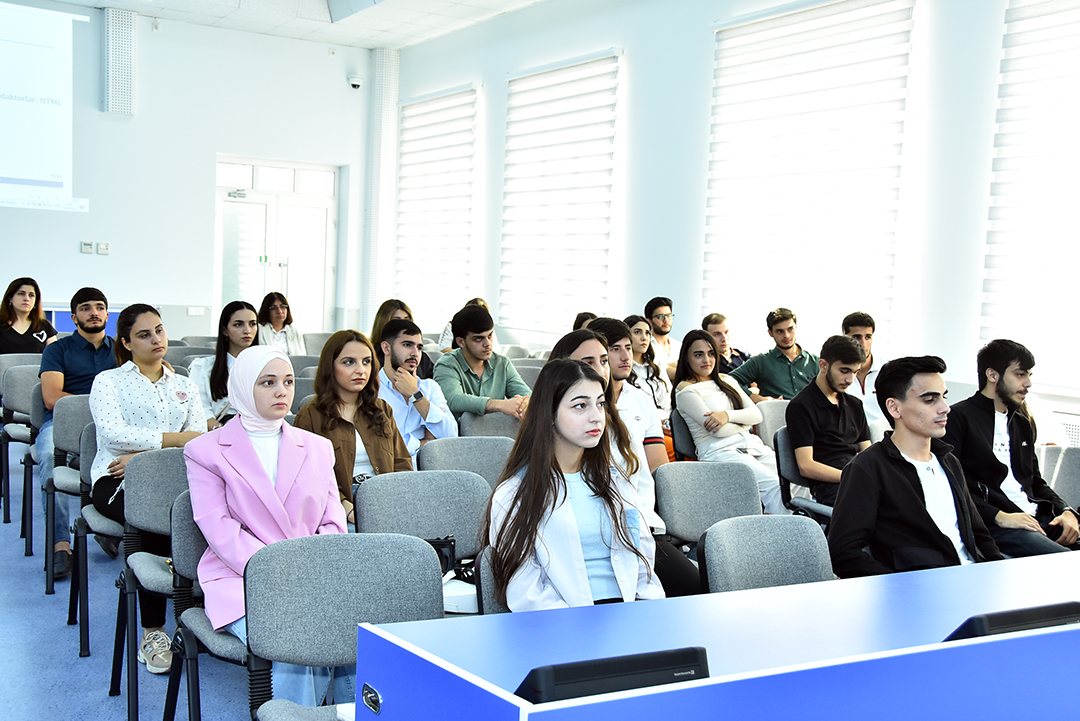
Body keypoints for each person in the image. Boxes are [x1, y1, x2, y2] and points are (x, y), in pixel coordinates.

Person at [185, 346, 352, 707]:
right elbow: (218, 527)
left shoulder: (319, 447)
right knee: (295, 638)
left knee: (352, 635)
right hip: (241, 578)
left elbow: (332, 522)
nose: (282, 391)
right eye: (268, 382)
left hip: (313, 572)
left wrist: (305, 570)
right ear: (244, 387)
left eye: (289, 381)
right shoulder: (205, 450)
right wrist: (277, 573)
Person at [481, 359, 665, 611]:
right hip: (562, 626)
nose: (596, 417)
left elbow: (644, 565)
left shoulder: (616, 482)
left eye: (600, 404)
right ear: (549, 413)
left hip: (630, 617)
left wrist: (645, 614)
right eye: (580, 406)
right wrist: (581, 628)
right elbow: (525, 591)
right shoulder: (515, 493)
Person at [89, 304, 205, 674]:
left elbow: (200, 440)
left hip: (173, 478)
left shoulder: (184, 385)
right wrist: (177, 439)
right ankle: (152, 631)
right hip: (116, 480)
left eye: (159, 330)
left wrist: (140, 455)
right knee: (156, 520)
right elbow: (112, 435)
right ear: (125, 342)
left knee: (210, 515)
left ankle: (203, 616)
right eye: (144, 334)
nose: (156, 339)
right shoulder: (108, 382)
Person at [548, 327, 700, 596]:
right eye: (588, 362)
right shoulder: (561, 423)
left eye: (603, 360)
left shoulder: (638, 402)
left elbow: (657, 470)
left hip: (638, 526)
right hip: (581, 533)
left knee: (692, 587)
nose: (600, 370)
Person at [828, 356, 1003, 577]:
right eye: (930, 400)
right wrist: (900, 587)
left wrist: (998, 574)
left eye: (943, 397)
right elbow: (843, 553)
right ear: (894, 408)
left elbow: (979, 534)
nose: (945, 408)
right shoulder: (868, 468)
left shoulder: (949, 461)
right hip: (919, 592)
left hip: (972, 581)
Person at [944, 339, 1080, 557]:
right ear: (992, 375)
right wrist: (999, 516)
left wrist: (1065, 510)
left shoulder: (1020, 422)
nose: (1028, 383)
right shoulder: (957, 419)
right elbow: (951, 486)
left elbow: (1035, 481)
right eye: (1020, 374)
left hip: (1036, 517)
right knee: (1067, 563)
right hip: (997, 525)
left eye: (1029, 375)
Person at [37, 287, 115, 579]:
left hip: (108, 427)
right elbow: (52, 398)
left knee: (137, 458)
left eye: (99, 307)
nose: (93, 312)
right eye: (85, 308)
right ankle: (60, 544)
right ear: (73, 317)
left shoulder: (122, 350)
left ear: (107, 314)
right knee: (47, 457)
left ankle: (108, 525)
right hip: (62, 424)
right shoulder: (58, 349)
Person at [294, 330, 411, 524]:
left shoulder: (382, 410)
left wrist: (396, 504)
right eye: (349, 362)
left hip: (386, 501)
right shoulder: (310, 416)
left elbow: (402, 464)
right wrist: (346, 510)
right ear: (330, 367)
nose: (361, 370)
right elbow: (308, 479)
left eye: (366, 361)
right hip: (336, 508)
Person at [672, 330, 789, 516]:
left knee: (793, 480)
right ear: (686, 358)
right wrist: (743, 422)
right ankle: (787, 538)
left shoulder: (727, 380)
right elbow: (717, 431)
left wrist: (726, 415)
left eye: (711, 353)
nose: (706, 360)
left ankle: (806, 531)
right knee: (773, 485)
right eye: (698, 354)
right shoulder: (685, 390)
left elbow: (756, 415)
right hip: (720, 453)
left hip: (750, 446)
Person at [784, 335, 870, 506]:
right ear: (823, 365)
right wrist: (850, 477)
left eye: (855, 372)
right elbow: (806, 466)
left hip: (858, 479)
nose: (850, 380)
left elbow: (868, 451)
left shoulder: (855, 405)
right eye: (844, 371)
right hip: (831, 486)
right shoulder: (800, 407)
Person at [376, 318, 457, 461]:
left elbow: (451, 437)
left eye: (419, 347)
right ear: (386, 348)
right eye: (407, 345)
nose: (415, 353)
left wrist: (416, 396)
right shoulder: (372, 389)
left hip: (427, 475)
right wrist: (423, 443)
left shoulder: (429, 387)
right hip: (387, 475)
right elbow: (380, 444)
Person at [433, 305, 530, 420]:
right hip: (458, 436)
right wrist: (499, 405)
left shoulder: (502, 363)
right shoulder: (446, 365)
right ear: (460, 342)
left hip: (496, 434)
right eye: (478, 339)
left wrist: (526, 402)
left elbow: (528, 395)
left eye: (490, 335)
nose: (487, 343)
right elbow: (453, 400)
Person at [188, 301, 258, 430]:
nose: (247, 330)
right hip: (219, 432)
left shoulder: (264, 366)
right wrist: (222, 430)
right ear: (225, 330)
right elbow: (200, 408)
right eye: (238, 324)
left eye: (252, 324)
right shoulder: (203, 367)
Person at [729, 307, 819, 403]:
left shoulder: (815, 362)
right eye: (780, 331)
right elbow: (727, 380)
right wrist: (753, 397)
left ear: (796, 328)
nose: (786, 336)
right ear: (770, 333)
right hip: (776, 414)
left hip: (810, 416)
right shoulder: (760, 362)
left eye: (790, 329)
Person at [370, 298, 435, 379]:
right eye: (396, 321)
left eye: (407, 320)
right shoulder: (371, 356)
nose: (403, 324)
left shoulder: (421, 357)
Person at [624, 314, 672, 423]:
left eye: (647, 333)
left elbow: (669, 399)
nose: (644, 338)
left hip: (668, 421)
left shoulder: (657, 367)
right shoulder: (623, 369)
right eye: (637, 332)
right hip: (643, 424)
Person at [842, 311, 887, 427]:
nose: (863, 343)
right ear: (844, 337)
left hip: (884, 438)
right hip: (850, 438)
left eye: (868, 337)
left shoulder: (887, 371)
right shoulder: (836, 373)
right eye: (856, 337)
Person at [0, 277, 57, 353]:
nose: (26, 298)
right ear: (10, 298)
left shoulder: (44, 326)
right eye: (21, 294)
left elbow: (55, 357)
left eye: (31, 295)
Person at [644, 296, 679, 380]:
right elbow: (657, 372)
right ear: (649, 321)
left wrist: (665, 366)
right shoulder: (646, 346)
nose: (666, 320)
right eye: (660, 316)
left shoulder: (678, 345)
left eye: (669, 315)